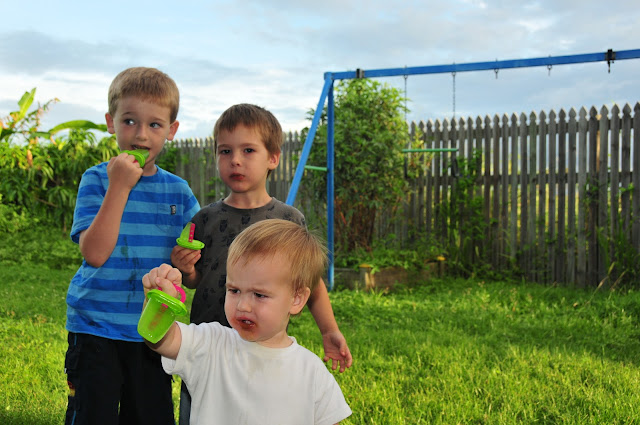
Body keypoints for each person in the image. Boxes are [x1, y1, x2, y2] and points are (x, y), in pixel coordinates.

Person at [170, 103, 353, 423]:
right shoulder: (205, 218)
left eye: (248, 150)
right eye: (225, 151)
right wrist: (186, 269)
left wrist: (329, 330)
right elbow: (198, 279)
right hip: (209, 349)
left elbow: (310, 283)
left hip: (263, 345)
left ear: (273, 158)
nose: (235, 160)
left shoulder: (288, 220)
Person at [63, 67, 201, 425]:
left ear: (171, 130)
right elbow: (94, 254)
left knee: (150, 415)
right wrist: (120, 186)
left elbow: (193, 276)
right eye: (129, 121)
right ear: (111, 122)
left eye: (154, 125)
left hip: (153, 330)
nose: (141, 135)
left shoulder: (179, 192)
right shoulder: (97, 180)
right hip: (95, 326)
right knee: (93, 415)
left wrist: (187, 266)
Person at [143, 219, 352, 424]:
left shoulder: (311, 372)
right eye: (234, 290)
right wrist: (158, 303)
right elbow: (161, 339)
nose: (243, 305)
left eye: (259, 295)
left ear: (296, 299)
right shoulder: (211, 344)